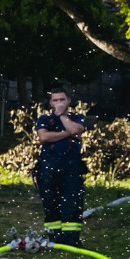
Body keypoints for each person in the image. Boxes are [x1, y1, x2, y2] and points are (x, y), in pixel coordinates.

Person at [34, 89, 87, 246]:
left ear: (68, 101)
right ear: (50, 103)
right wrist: (67, 134)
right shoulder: (44, 119)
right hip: (48, 166)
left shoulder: (77, 118)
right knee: (50, 202)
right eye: (55, 100)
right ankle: (54, 238)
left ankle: (71, 240)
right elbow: (44, 137)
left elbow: (76, 130)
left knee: (72, 201)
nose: (59, 103)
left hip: (72, 166)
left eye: (62, 100)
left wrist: (62, 116)